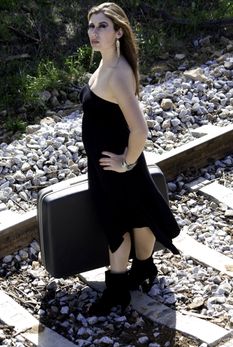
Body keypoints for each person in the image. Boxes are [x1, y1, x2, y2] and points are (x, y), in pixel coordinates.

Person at [79, 2, 180, 316]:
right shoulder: (107, 63)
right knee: (137, 216)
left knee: (116, 225)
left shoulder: (118, 73)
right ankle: (144, 269)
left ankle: (118, 291)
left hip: (116, 167)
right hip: (108, 165)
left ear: (118, 31)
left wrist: (126, 162)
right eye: (92, 26)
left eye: (103, 26)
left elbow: (140, 130)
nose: (94, 33)